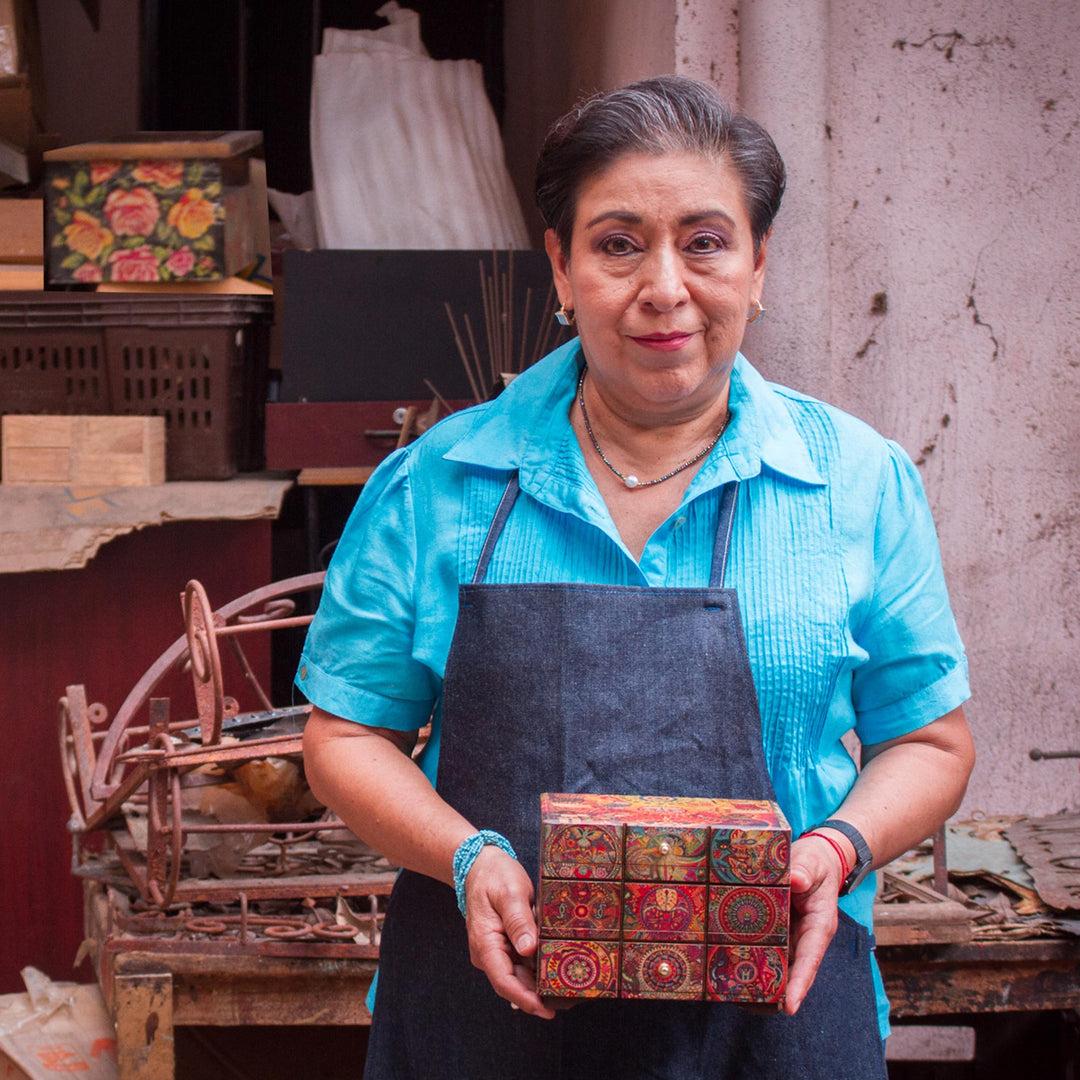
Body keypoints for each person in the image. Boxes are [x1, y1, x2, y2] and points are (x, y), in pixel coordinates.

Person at [298, 75, 975, 1079]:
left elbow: (927, 739)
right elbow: (348, 734)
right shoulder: (438, 483)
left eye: (706, 241)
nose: (666, 286)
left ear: (757, 266)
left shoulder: (858, 482)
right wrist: (468, 856)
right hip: (488, 1019)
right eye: (619, 244)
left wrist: (836, 848)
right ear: (562, 269)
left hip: (776, 1023)